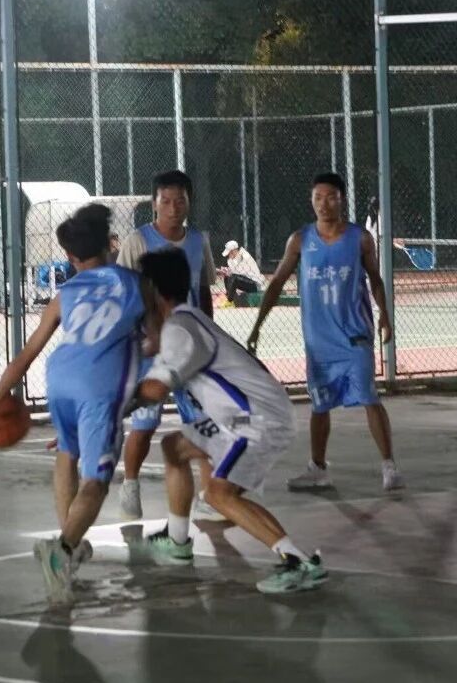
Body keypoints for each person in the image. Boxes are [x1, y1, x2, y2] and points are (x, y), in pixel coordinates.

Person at [134, 248, 327, 594]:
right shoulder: (184, 319)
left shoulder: (180, 329)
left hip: (256, 420)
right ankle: (177, 540)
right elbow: (158, 347)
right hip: (242, 417)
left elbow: (154, 390)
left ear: (154, 290)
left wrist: (110, 406)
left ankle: (299, 561)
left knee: (219, 494)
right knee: (175, 447)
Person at [0, 204, 144, 604]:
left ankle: (69, 539)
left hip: (59, 379)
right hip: (97, 386)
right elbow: (158, 338)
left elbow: (27, 353)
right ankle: (62, 551)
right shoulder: (134, 283)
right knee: (97, 481)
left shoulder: (65, 293)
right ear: (111, 246)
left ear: (71, 257)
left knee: (67, 453)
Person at [248, 172, 404, 493]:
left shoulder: (360, 239)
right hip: (319, 343)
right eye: (318, 197)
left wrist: (385, 316)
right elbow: (276, 283)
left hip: (355, 336)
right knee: (319, 406)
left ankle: (389, 466)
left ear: (342, 199)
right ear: (311, 200)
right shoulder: (300, 240)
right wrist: (258, 325)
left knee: (368, 397)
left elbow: (375, 279)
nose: (324, 203)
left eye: (331, 197)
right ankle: (318, 469)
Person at [115, 170, 221, 522]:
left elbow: (204, 291)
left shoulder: (198, 242)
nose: (173, 208)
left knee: (203, 423)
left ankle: (208, 496)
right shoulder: (138, 241)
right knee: (144, 425)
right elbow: (124, 294)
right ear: (154, 204)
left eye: (180, 201)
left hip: (189, 350)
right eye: (166, 201)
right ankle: (130, 485)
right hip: (151, 349)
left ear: (189, 203)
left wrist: (208, 335)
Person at [217, 240, 264, 306]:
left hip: (254, 284)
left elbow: (237, 272)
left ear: (234, 251)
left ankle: (229, 301)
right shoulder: (232, 259)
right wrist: (226, 271)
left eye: (230, 253)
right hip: (245, 281)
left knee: (234, 278)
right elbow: (234, 271)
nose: (228, 255)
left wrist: (227, 271)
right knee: (227, 277)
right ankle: (230, 300)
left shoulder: (245, 256)